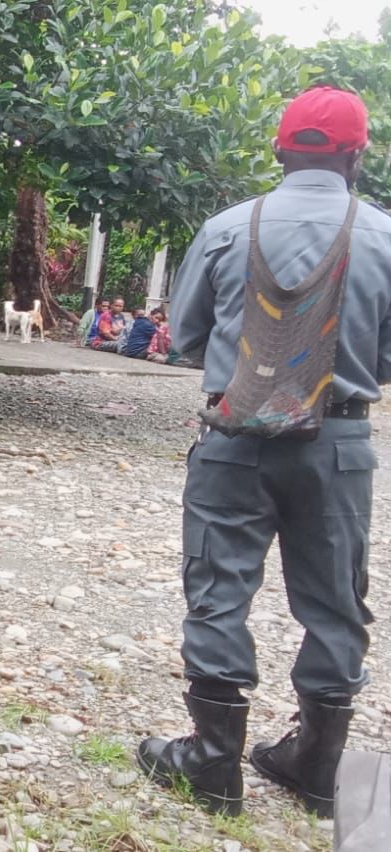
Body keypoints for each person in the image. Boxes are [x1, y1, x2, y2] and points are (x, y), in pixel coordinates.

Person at [137, 86, 391, 819]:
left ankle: (214, 760)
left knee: (219, 588)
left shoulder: (225, 228)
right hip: (339, 442)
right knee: (336, 601)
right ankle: (316, 764)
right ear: (356, 154)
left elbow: (185, 340)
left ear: (279, 149)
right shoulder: (382, 234)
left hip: (235, 443)